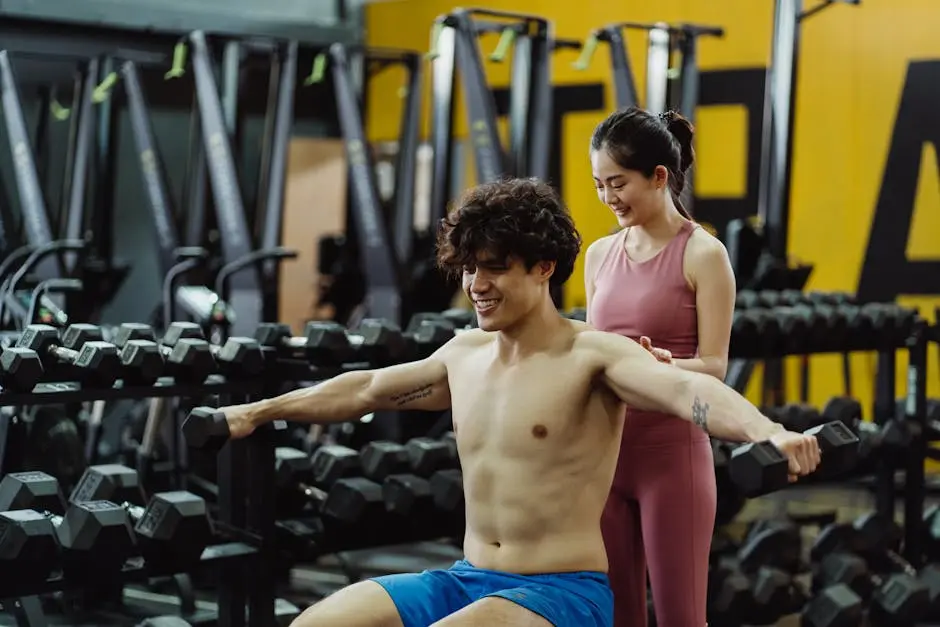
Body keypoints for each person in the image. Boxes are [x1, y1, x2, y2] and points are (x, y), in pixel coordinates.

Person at [217, 178, 819, 627]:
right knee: (312, 624)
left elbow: (691, 391)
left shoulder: (595, 357)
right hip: (465, 580)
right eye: (469, 269)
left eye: (495, 269)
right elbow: (366, 389)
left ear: (543, 268)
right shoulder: (463, 354)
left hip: (562, 594)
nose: (477, 286)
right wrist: (256, 412)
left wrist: (768, 430)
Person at [585, 106, 735, 627]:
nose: (608, 198)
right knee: (617, 616)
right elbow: (595, 350)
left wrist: (670, 366)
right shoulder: (599, 255)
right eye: (599, 185)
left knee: (681, 619)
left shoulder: (703, 254)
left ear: (659, 176)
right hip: (605, 459)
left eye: (618, 183)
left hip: (673, 459)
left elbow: (715, 367)